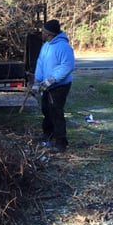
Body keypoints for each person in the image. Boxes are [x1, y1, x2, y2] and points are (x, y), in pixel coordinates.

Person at [33, 19, 75, 153]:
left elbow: (67, 66)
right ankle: (48, 135)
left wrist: (52, 79)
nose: (42, 33)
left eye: (44, 31)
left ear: (49, 34)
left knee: (56, 112)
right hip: (46, 85)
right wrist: (37, 79)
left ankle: (61, 143)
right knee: (46, 110)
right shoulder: (46, 45)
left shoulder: (63, 47)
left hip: (59, 86)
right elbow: (40, 62)